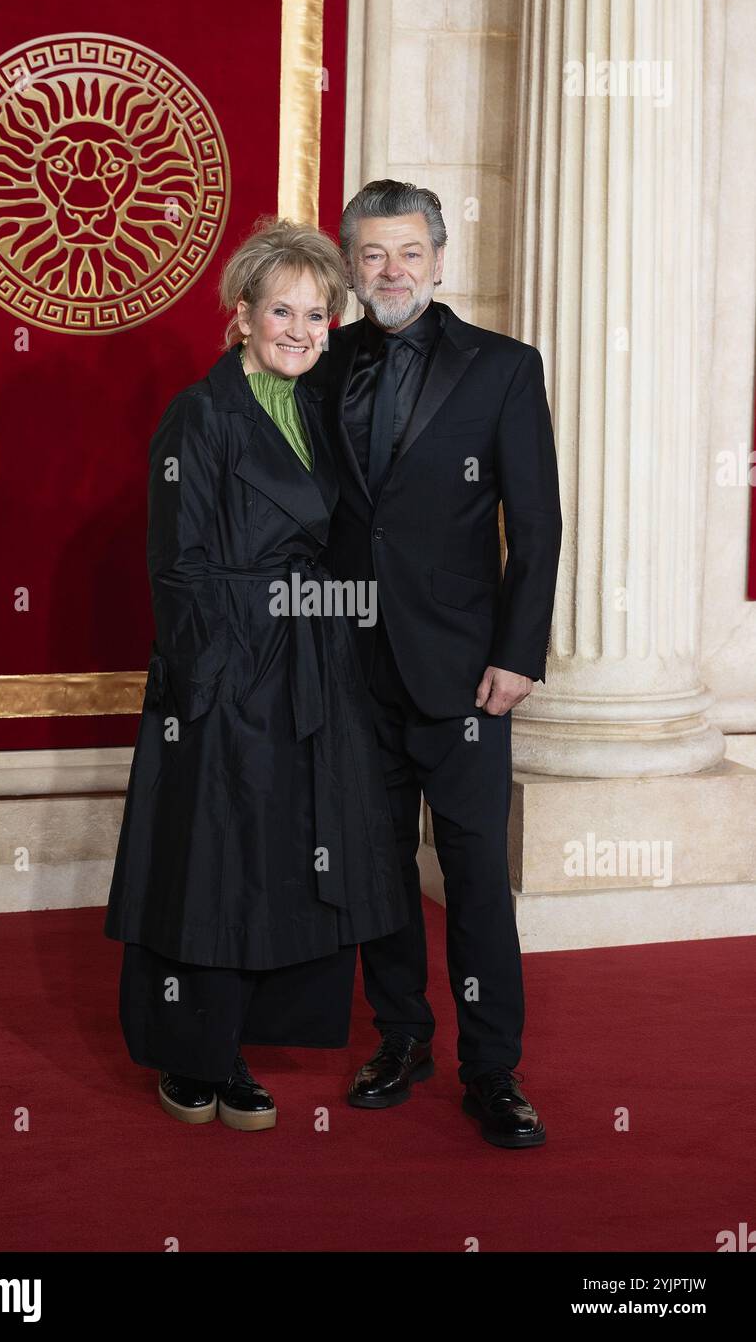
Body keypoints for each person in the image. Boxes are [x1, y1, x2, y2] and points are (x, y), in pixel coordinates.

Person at [104, 217, 408, 1131]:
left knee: (282, 861)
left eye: (319, 315)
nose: (302, 330)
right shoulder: (198, 415)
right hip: (225, 675)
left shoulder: (317, 407)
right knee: (211, 864)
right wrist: (211, 685)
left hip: (310, 669)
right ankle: (192, 1054)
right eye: (283, 310)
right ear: (242, 316)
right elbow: (177, 564)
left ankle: (238, 1044)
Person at [320, 180, 562, 1148]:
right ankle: (400, 1037)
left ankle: (493, 1071)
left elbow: (534, 524)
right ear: (349, 264)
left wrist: (516, 654)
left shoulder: (501, 367)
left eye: (408, 253)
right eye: (372, 255)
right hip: (348, 667)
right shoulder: (322, 360)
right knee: (374, 873)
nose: (390, 272)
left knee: (470, 877)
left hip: (465, 674)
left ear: (438, 256)